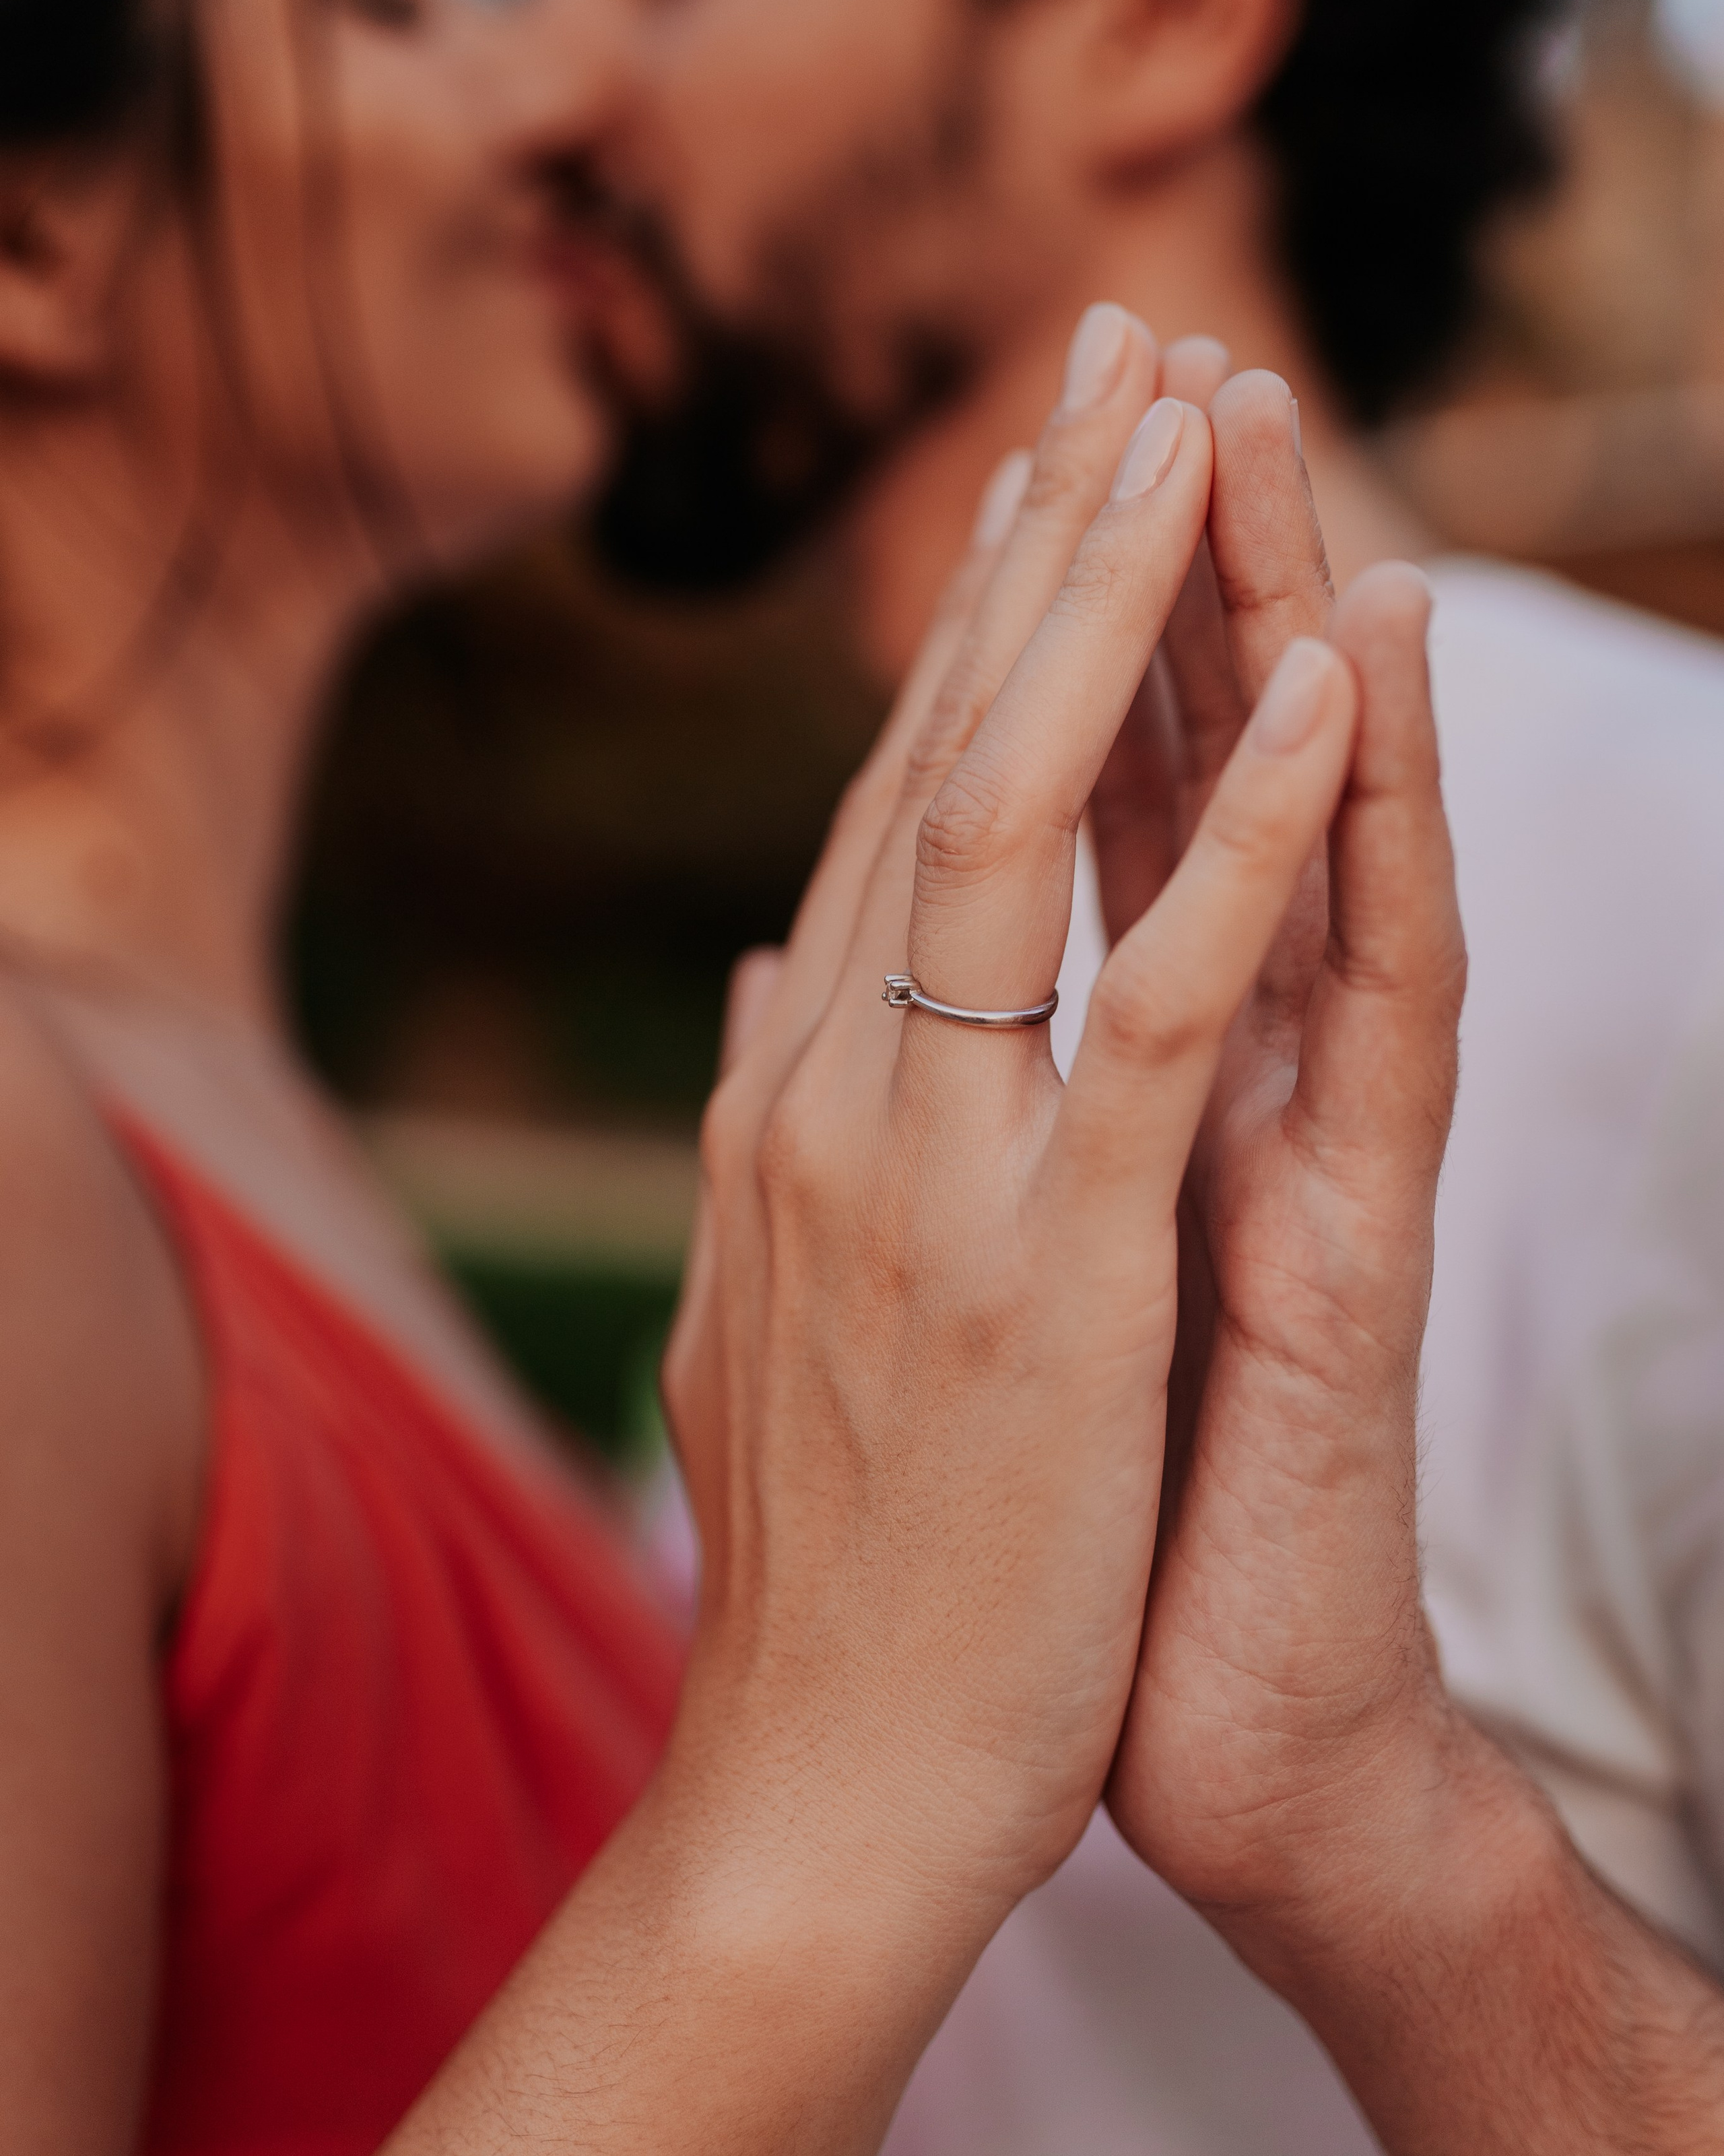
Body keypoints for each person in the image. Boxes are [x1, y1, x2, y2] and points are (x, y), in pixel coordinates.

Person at [0, 0, 1559, 2149]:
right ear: (27, 239)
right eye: (395, 12)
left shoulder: (182, 1100)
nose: (571, 92)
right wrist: (846, 1767)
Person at [552, 0, 1724, 2144]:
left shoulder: (1693, 892)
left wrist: (1404, 1862)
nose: (555, 84)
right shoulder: (852, 959)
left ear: (1157, 31)